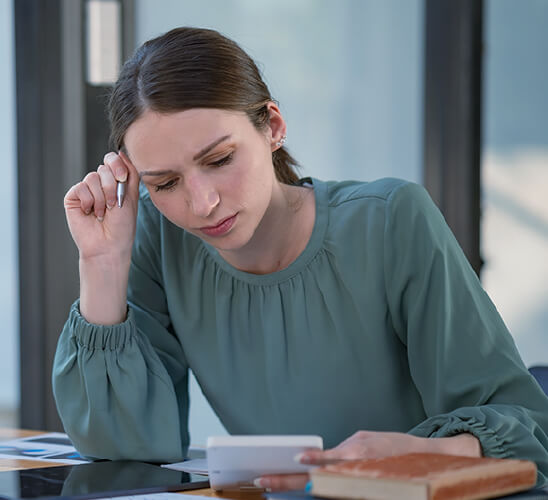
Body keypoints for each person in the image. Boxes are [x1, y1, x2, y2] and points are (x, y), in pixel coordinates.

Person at [52, 27, 548, 491]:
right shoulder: (162, 238)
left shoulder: (390, 220)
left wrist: (422, 453)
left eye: (220, 160)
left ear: (272, 126)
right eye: (165, 183)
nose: (201, 203)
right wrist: (102, 263)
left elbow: (533, 438)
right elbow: (126, 452)